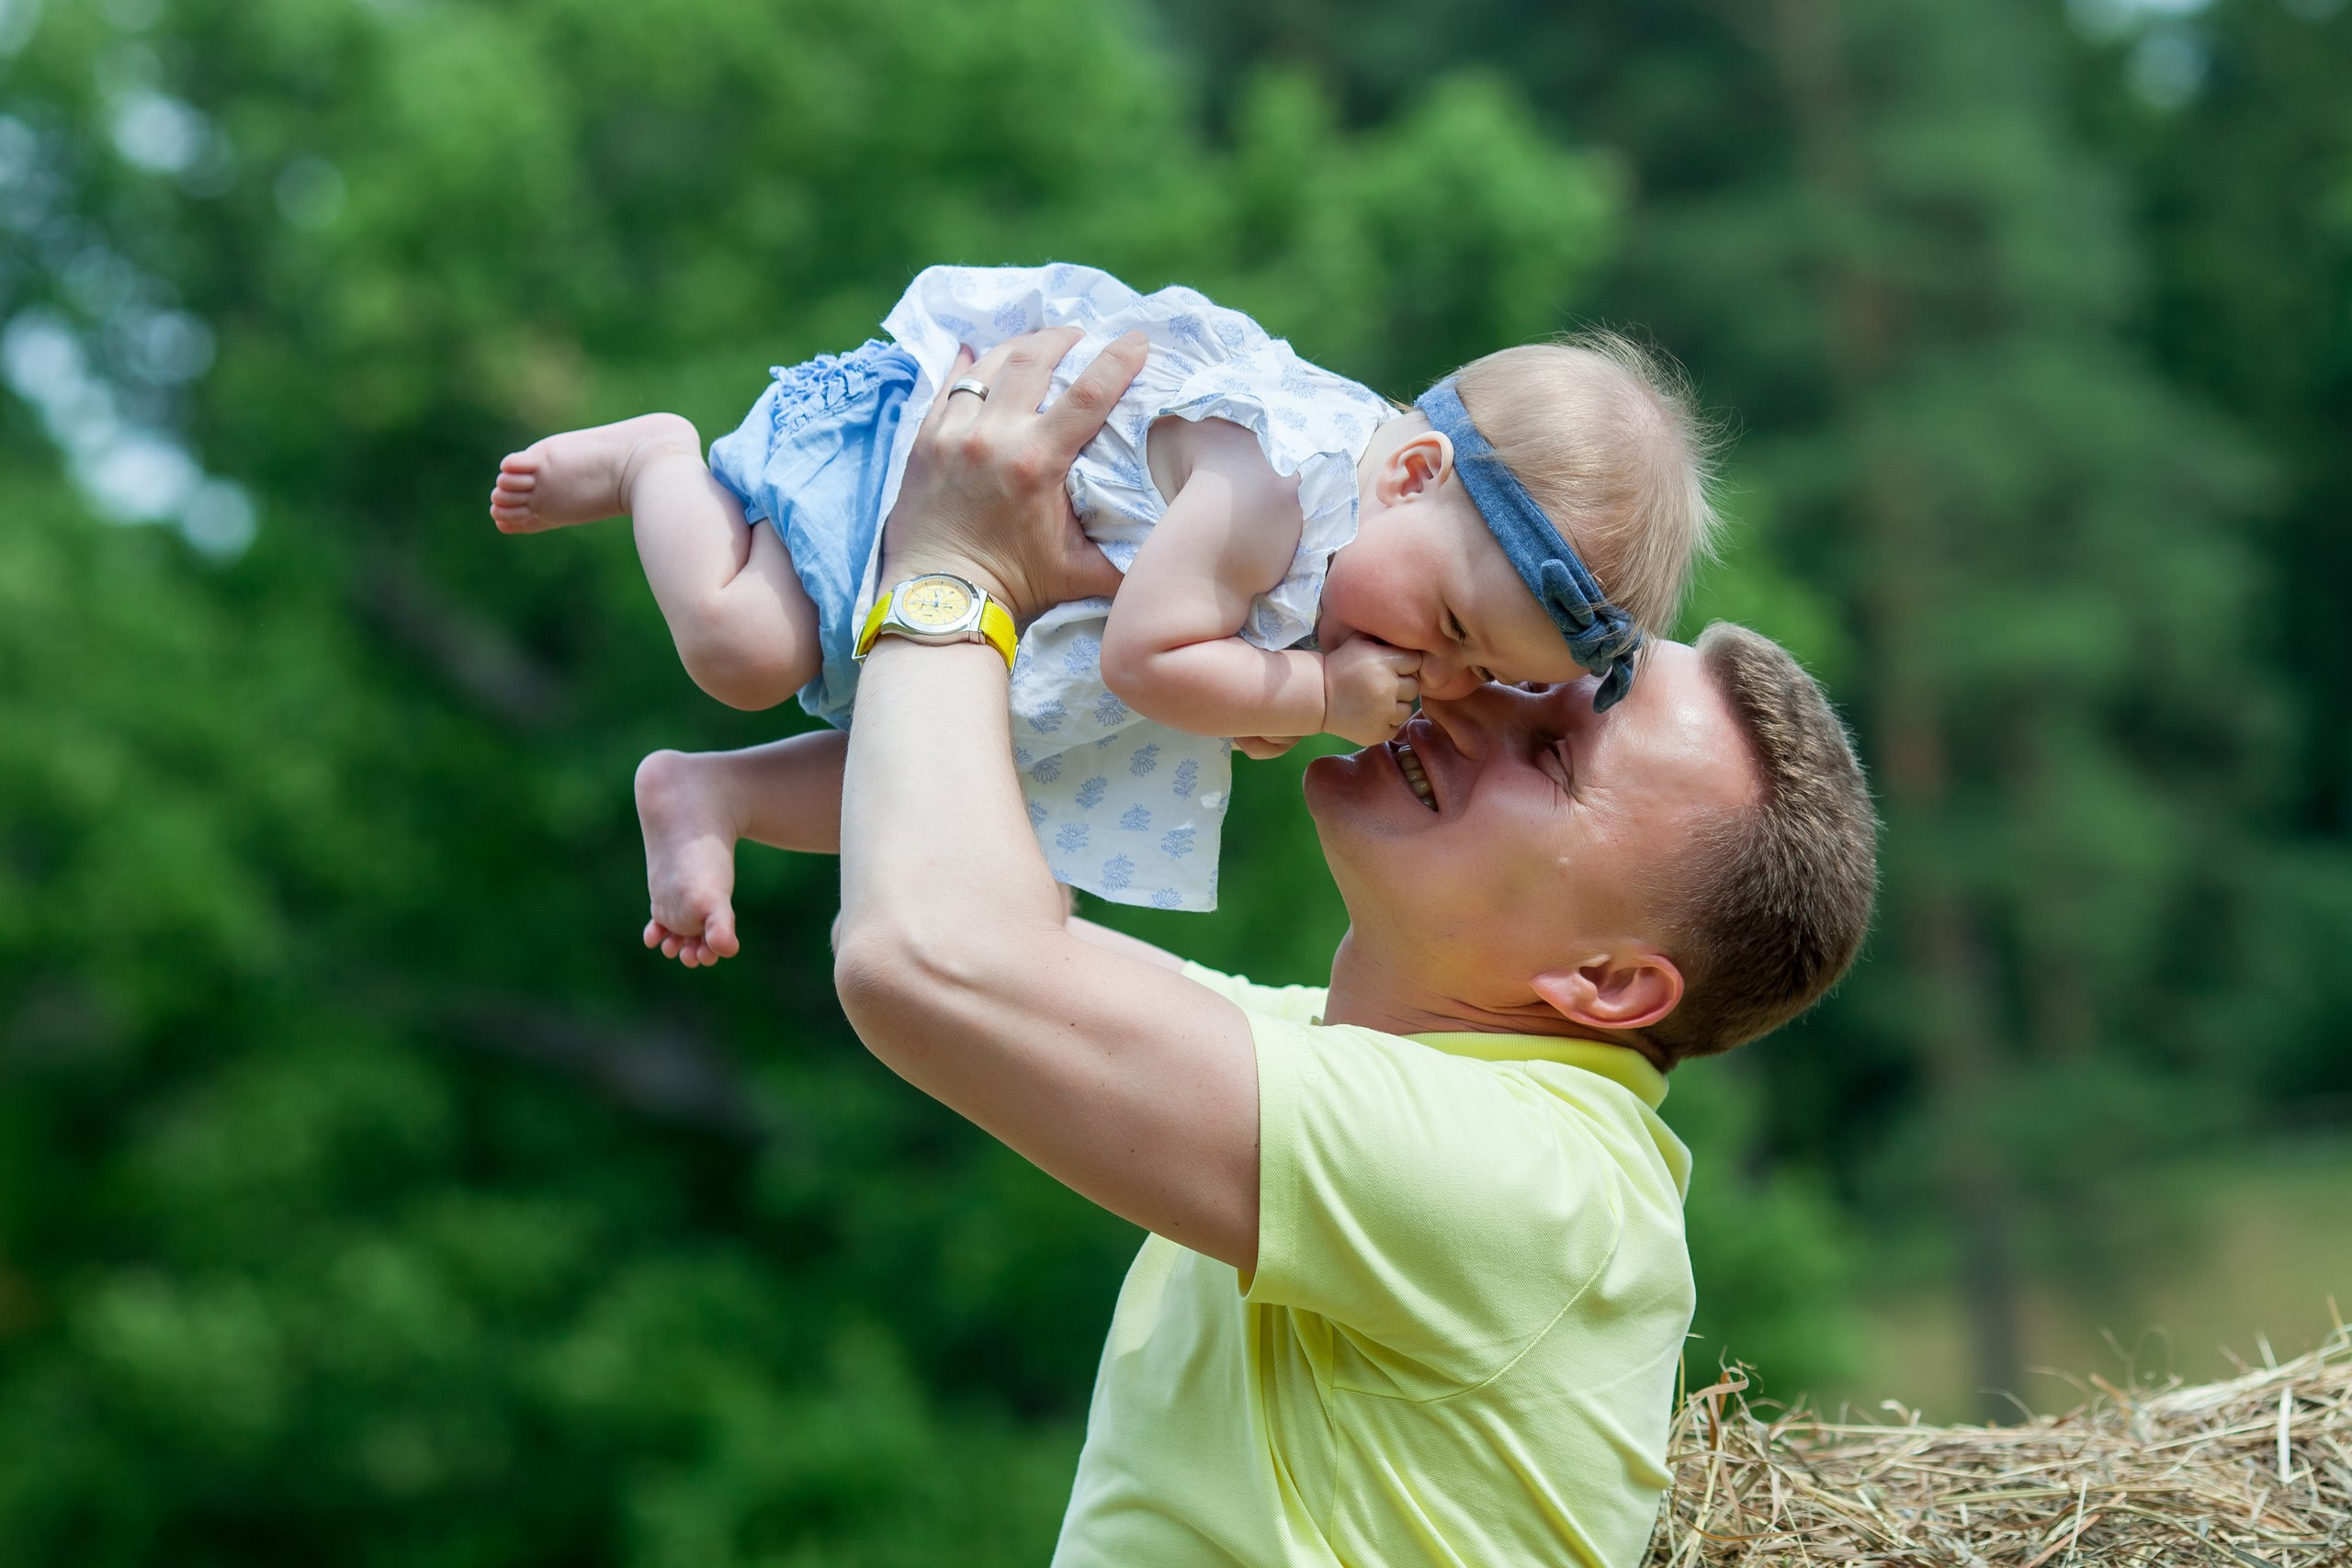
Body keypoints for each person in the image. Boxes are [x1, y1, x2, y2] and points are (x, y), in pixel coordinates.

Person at [827, 328, 1878, 1566]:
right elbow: (982, 917)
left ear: (1605, 985)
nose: (1467, 695)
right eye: (1517, 673)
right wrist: (1103, 604)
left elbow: (929, 955)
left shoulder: (1527, 1183)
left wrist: (955, 572)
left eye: (1552, 755)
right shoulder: (1368, 1075)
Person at [485, 264, 1718, 953]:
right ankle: (656, 462)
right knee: (744, 647)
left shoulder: (1357, 550)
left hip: (1000, 598)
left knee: (966, 787)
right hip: (898, 470)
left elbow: (1191, 664)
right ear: (1409, 475)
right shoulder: (1274, 484)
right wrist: (1311, 693)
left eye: (1475, 673)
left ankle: (717, 794)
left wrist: (1271, 690)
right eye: (1448, 628)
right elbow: (1145, 657)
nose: (1434, 674)